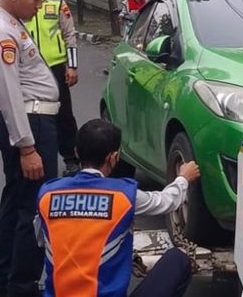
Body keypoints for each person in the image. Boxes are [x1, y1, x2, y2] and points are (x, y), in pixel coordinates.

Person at [36, 119, 199, 297]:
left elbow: (41, 238)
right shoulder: (124, 195)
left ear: (76, 152)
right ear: (113, 157)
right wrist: (183, 178)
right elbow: (167, 201)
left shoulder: (47, 194)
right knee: (178, 260)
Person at [0, 0, 61, 297]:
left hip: (31, 119)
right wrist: (27, 147)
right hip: (31, 123)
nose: (40, 6)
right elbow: (10, 92)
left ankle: (6, 282)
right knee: (34, 212)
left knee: (16, 204)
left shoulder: (9, 20)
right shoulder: (0, 32)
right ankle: (22, 287)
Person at [23, 0, 81, 176]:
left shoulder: (57, 4)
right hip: (29, 69)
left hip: (56, 68)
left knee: (63, 115)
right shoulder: (22, 4)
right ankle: (38, 157)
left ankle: (71, 158)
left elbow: (69, 34)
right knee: (33, 114)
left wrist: (71, 66)